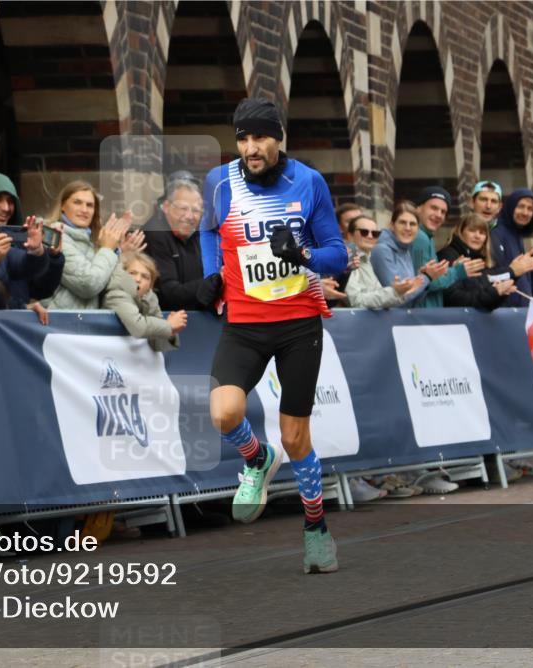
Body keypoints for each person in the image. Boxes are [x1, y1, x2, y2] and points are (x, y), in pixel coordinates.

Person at [200, 97, 347, 574]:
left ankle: (315, 528)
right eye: (242, 138)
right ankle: (257, 458)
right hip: (243, 321)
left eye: (259, 137)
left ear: (278, 138)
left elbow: (337, 254)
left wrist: (303, 256)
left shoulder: (308, 181)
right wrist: (211, 274)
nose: (250, 147)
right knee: (225, 413)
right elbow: (208, 229)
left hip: (297, 322)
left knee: (296, 435)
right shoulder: (219, 181)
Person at [0, 172, 66, 324]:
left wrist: (54, 257)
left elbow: (41, 289)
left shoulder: (23, 241)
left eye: (10, 201)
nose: (6, 207)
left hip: (18, 328)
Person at [40, 180, 140, 309]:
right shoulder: (53, 235)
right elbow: (88, 284)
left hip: (86, 322)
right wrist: (108, 249)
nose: (84, 210)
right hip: (57, 322)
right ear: (62, 206)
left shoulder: (94, 241)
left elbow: (112, 286)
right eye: (77, 202)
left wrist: (118, 252)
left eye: (90, 205)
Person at [143, 171, 223, 311]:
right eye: (183, 208)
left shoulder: (199, 234)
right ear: (166, 207)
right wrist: (216, 280)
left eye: (196, 211)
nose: (189, 216)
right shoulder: (155, 234)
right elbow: (170, 294)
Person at [103, 251, 187, 351]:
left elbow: (157, 345)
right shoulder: (117, 294)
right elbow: (138, 328)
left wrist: (172, 331)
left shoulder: (150, 299)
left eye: (145, 276)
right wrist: (168, 325)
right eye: (132, 273)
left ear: (150, 286)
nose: (138, 279)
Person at [370, 201, 445, 307]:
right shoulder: (382, 250)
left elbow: (412, 299)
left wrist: (421, 277)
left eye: (413, 224)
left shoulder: (405, 249)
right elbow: (397, 299)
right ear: (392, 225)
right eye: (402, 222)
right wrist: (427, 277)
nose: (408, 228)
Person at [410, 186, 473, 307]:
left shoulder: (427, 236)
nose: (438, 215)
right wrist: (457, 271)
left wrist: (452, 268)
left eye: (443, 212)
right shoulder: (420, 237)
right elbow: (424, 281)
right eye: (433, 208)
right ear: (418, 208)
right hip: (420, 317)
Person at [438, 213, 516, 309]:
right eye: (472, 230)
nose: (477, 236)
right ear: (460, 232)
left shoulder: (482, 260)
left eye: (482, 233)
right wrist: (494, 293)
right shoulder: (448, 255)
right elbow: (452, 298)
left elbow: (486, 301)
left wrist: (499, 293)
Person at [345, 214, 423, 308]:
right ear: (350, 236)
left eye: (375, 233)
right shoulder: (346, 259)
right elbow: (356, 301)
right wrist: (395, 292)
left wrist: (402, 292)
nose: (370, 236)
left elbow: (377, 299)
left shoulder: (369, 259)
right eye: (364, 232)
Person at [489, 188, 533, 307]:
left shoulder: (516, 235)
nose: (525, 212)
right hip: (504, 313)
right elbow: (492, 275)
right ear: (510, 207)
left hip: (520, 312)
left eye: (530, 209)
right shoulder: (496, 234)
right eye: (521, 206)